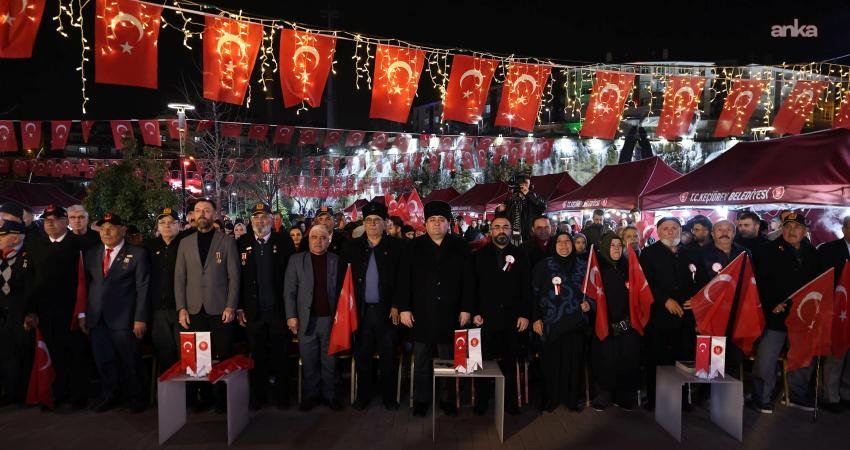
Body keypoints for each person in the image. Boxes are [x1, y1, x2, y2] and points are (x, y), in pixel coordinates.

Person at [398, 201, 472, 417]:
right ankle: (421, 399)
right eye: (432, 220)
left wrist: (466, 308)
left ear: (448, 223)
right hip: (421, 313)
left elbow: (468, 281)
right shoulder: (412, 247)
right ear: (425, 223)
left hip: (451, 314)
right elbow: (404, 281)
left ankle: (447, 399)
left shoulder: (460, 246)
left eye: (441, 220)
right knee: (421, 360)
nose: (437, 224)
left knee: (449, 360)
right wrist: (404, 308)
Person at [753, 212, 825, 413]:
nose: (792, 231)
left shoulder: (814, 254)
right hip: (775, 315)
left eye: (796, 228)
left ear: (805, 231)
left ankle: (796, 394)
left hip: (803, 317)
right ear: (782, 229)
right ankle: (762, 397)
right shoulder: (767, 251)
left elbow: (819, 283)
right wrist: (770, 304)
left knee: (803, 358)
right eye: (788, 227)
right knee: (766, 359)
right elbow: (759, 283)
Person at [174, 199, 240, 413]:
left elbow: (234, 277)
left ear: (215, 214)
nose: (202, 214)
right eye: (198, 210)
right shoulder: (185, 242)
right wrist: (181, 307)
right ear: (192, 215)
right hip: (193, 309)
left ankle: (223, 399)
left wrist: (231, 305)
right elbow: (179, 278)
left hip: (221, 309)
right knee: (198, 358)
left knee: (223, 355)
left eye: (207, 210)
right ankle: (203, 397)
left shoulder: (227, 241)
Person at [341, 202, 406, 411]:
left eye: (376, 221)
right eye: (368, 221)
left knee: (388, 355)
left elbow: (402, 280)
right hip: (360, 311)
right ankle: (363, 395)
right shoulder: (353, 246)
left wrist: (397, 304)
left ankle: (389, 397)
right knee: (362, 356)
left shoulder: (396, 247)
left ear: (385, 223)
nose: (372, 225)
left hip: (386, 311)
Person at [81, 213, 150, 413]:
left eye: (111, 227)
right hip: (97, 318)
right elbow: (87, 285)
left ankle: (137, 397)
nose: (107, 231)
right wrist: (84, 314)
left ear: (123, 230)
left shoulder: (137, 253)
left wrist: (140, 318)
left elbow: (143, 287)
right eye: (103, 228)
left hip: (125, 319)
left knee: (130, 361)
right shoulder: (92, 253)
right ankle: (110, 395)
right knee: (104, 360)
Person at [26, 204, 91, 411]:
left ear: (66, 222)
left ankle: (77, 397)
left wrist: (82, 312)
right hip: (45, 312)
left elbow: (86, 281)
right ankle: (54, 395)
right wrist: (31, 310)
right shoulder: (35, 245)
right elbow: (31, 282)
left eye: (55, 219)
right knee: (51, 354)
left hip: (72, 311)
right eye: (46, 220)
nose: (50, 223)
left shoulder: (79, 245)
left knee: (74, 355)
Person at [467, 216, 531, 416]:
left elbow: (526, 288)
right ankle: (482, 402)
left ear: (511, 231)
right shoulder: (478, 255)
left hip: (512, 318)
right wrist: (475, 312)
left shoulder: (521, 254)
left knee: (510, 362)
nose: (501, 230)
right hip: (485, 318)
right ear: (490, 231)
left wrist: (525, 314)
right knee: (482, 362)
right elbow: (472, 287)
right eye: (497, 227)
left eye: (505, 227)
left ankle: (510, 402)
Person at [237, 203, 295, 410]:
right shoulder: (242, 242)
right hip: (253, 311)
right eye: (256, 218)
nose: (260, 221)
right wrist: (239, 307)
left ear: (271, 220)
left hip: (278, 310)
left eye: (264, 217)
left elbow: (292, 277)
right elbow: (237, 278)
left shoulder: (284, 241)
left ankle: (282, 397)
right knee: (257, 356)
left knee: (281, 355)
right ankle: (258, 397)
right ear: (251, 221)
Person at [639, 217, 700, 410]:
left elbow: (702, 280)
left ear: (680, 230)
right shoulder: (648, 254)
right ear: (658, 231)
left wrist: (697, 299)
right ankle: (656, 401)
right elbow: (645, 283)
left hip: (686, 317)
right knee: (657, 359)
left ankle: (681, 401)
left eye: (674, 228)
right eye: (665, 229)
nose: (670, 232)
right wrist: (664, 300)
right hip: (659, 317)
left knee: (683, 359)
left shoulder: (691, 252)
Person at [284, 225, 342, 411]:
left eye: (323, 237)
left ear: (329, 240)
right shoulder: (296, 260)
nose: (318, 241)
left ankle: (330, 396)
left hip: (330, 320)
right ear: (308, 240)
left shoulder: (337, 260)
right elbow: (289, 292)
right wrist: (291, 316)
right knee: (309, 360)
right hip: (305, 320)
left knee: (330, 361)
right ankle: (311, 395)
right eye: (314, 237)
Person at [531, 231, 590, 412]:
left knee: (573, 363)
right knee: (551, 364)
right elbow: (532, 294)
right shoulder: (544, 266)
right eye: (560, 242)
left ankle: (570, 399)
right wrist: (535, 318)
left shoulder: (583, 266)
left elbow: (594, 292)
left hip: (575, 323)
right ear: (554, 245)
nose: (564, 245)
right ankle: (551, 399)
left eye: (567, 242)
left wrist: (590, 304)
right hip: (550, 324)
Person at [591, 233, 640, 411]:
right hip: (605, 323)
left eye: (619, 244)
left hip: (628, 325)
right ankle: (603, 395)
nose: (616, 248)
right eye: (612, 245)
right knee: (605, 361)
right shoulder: (598, 269)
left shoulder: (630, 267)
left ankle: (624, 396)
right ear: (605, 247)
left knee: (627, 361)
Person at [694, 219, 747, 378]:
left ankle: (728, 394)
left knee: (732, 357)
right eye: (719, 229)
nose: (724, 232)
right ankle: (704, 395)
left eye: (728, 229)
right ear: (712, 233)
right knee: (707, 358)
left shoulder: (744, 253)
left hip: (736, 314)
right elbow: (696, 285)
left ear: (734, 232)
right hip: (710, 313)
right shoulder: (701, 254)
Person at [144, 208, 184, 376]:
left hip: (182, 309)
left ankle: (189, 394)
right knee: (164, 352)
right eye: (162, 223)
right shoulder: (148, 247)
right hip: (158, 309)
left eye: (171, 222)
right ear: (157, 227)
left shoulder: (186, 244)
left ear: (179, 226)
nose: (167, 226)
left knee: (184, 352)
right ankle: (169, 392)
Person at [818, 215, 850, 413]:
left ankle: (846, 394)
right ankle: (831, 397)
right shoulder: (828, 250)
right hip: (836, 311)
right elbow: (822, 279)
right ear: (844, 228)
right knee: (836, 354)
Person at [0, 221, 32, 407]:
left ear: (16, 237)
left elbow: (33, 287)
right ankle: (10, 393)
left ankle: (24, 393)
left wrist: (30, 312)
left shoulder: (29, 255)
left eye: (2, 235)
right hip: (3, 317)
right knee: (6, 355)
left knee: (23, 355)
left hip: (22, 316)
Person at [504, 174, 546, 244]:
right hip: (512, 235)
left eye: (527, 183)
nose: (524, 185)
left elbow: (543, 207)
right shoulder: (511, 198)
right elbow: (504, 215)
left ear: (530, 185)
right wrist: (499, 210)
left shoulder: (533, 196)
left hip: (528, 235)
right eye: (522, 183)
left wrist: (528, 194)